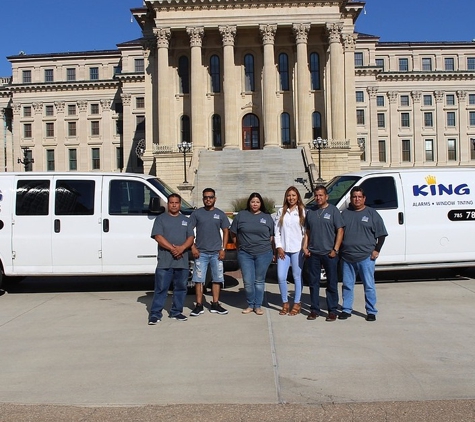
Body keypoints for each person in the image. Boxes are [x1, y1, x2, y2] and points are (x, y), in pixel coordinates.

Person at [339, 186, 388, 322]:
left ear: (364, 198)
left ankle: (371, 311)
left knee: (369, 285)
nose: (357, 199)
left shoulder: (372, 214)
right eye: (354, 197)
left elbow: (382, 234)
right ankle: (346, 309)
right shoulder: (344, 214)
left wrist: (376, 250)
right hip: (347, 257)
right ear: (351, 198)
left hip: (366, 257)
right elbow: (338, 233)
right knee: (348, 285)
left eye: (359, 197)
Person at [148, 193, 194, 324]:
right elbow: (158, 237)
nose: (174, 205)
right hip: (165, 261)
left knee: (180, 288)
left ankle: (176, 312)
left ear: (180, 204)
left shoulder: (187, 220)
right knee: (161, 289)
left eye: (176, 203)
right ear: (168, 204)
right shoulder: (161, 219)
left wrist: (182, 248)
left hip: (182, 262)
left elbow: (191, 238)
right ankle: (155, 314)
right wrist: (173, 249)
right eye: (171, 202)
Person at [303, 185, 344, 321]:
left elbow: (340, 231)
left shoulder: (333, 211)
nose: (318, 198)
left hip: (329, 254)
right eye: (316, 195)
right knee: (313, 283)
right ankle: (314, 309)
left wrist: (335, 249)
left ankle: (332, 310)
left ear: (327, 196)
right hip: (313, 253)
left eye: (321, 195)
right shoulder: (311, 212)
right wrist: (305, 246)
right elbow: (307, 232)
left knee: (331, 283)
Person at [230, 192, 274, 315]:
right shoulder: (241, 216)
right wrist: (237, 245)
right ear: (249, 203)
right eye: (253, 201)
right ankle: (250, 304)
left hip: (263, 253)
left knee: (259, 281)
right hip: (245, 254)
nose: (255, 204)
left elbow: (271, 236)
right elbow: (233, 233)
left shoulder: (267, 217)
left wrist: (270, 249)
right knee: (248, 281)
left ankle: (258, 305)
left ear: (261, 204)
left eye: (257, 202)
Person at [189, 188, 230, 316]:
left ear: (215, 199)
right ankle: (199, 305)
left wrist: (223, 249)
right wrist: (193, 247)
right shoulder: (197, 214)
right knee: (198, 279)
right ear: (203, 199)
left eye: (211, 197)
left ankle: (215, 304)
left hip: (216, 253)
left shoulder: (220, 214)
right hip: (201, 253)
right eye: (206, 197)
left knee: (217, 279)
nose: (208, 199)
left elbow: (226, 231)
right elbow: (189, 230)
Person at [274, 186, 306, 316]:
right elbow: (276, 231)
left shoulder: (302, 211)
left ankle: (297, 303)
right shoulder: (281, 211)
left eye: (293, 195)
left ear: (297, 196)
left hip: (298, 249)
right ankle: (285, 302)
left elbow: (305, 232)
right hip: (284, 250)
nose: (291, 198)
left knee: (297, 276)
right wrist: (279, 247)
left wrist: (304, 247)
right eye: (289, 195)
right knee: (281, 276)